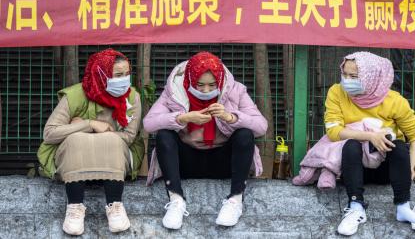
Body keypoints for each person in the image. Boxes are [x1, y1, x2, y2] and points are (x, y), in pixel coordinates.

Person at [143, 51, 267, 229]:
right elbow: (149, 124)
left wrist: (230, 117)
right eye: (200, 85)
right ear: (189, 80)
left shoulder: (235, 90)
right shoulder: (174, 91)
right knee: (164, 135)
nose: (206, 90)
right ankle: (176, 200)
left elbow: (261, 126)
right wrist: (182, 118)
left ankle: (235, 200)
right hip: (187, 162)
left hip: (222, 161)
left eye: (212, 85)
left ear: (221, 80)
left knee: (245, 134)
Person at [37, 48, 144, 235]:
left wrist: (84, 131)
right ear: (101, 74)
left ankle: (115, 206)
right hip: (73, 163)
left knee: (109, 140)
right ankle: (74, 208)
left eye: (127, 74)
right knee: (77, 140)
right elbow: (50, 134)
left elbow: (128, 136)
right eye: (118, 75)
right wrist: (89, 124)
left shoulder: (132, 97)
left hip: (115, 162)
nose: (124, 80)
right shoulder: (76, 95)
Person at [324, 52, 415, 236]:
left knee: (400, 147)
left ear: (371, 77)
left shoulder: (394, 101)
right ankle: (356, 207)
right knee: (351, 145)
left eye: (353, 76)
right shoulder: (336, 92)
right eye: (344, 74)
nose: (346, 80)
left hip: (386, 171)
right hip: (351, 169)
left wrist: (409, 167)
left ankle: (403, 207)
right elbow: (333, 131)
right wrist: (370, 136)